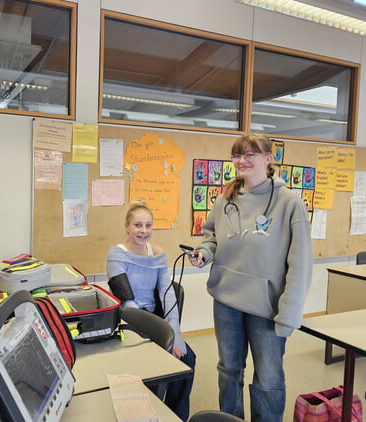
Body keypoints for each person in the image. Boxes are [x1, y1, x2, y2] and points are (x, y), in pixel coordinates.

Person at [189, 133, 312, 422]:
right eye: (237, 155)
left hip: (267, 307)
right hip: (227, 301)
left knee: (268, 381)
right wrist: (204, 253)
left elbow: (301, 264)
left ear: (269, 159)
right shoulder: (226, 198)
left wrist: (289, 313)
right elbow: (211, 237)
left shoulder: (289, 203)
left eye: (250, 154)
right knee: (228, 371)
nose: (242, 160)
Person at [106, 199, 196, 420]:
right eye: (138, 225)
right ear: (127, 226)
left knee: (187, 358)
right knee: (155, 361)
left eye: (148, 225)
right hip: (129, 321)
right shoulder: (116, 255)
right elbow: (129, 305)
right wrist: (162, 341)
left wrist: (175, 335)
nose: (143, 231)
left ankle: (176, 415)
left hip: (155, 319)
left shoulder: (156, 253)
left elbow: (168, 296)